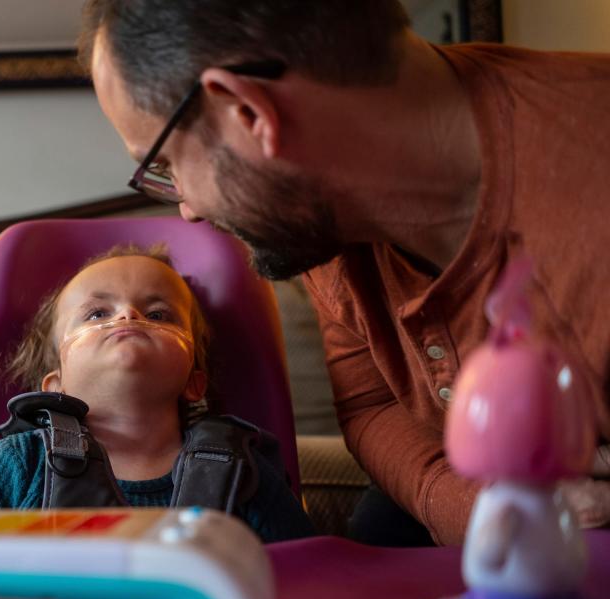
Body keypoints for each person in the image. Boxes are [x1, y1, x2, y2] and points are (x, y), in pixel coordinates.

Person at [79, 0, 610, 545]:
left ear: (248, 111)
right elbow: (371, 403)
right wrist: (470, 506)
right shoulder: (323, 206)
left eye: (164, 166)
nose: (186, 209)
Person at [0, 244, 314, 543]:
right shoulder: (20, 461)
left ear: (194, 381)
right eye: (97, 313)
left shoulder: (241, 469)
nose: (129, 315)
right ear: (56, 385)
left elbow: (308, 575)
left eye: (158, 314)